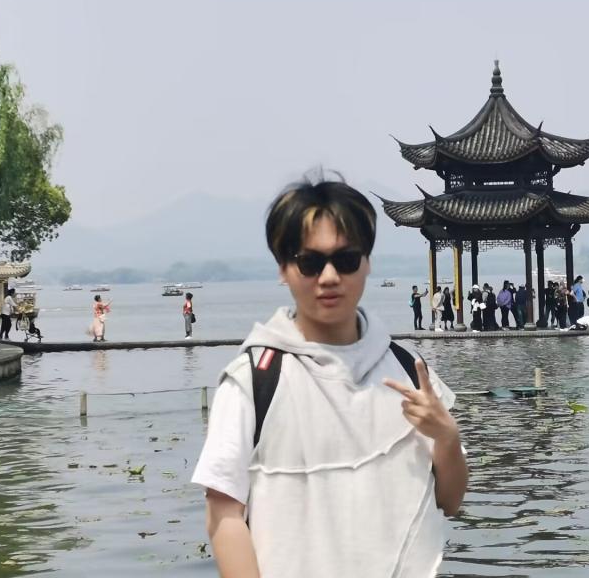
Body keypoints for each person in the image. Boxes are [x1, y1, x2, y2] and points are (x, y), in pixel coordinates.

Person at [192, 176, 467, 577]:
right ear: (284, 268)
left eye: (346, 259)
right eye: (310, 262)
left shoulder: (409, 370)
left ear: (367, 262)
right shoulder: (254, 381)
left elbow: (451, 500)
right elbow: (223, 515)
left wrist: (447, 437)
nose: (329, 277)